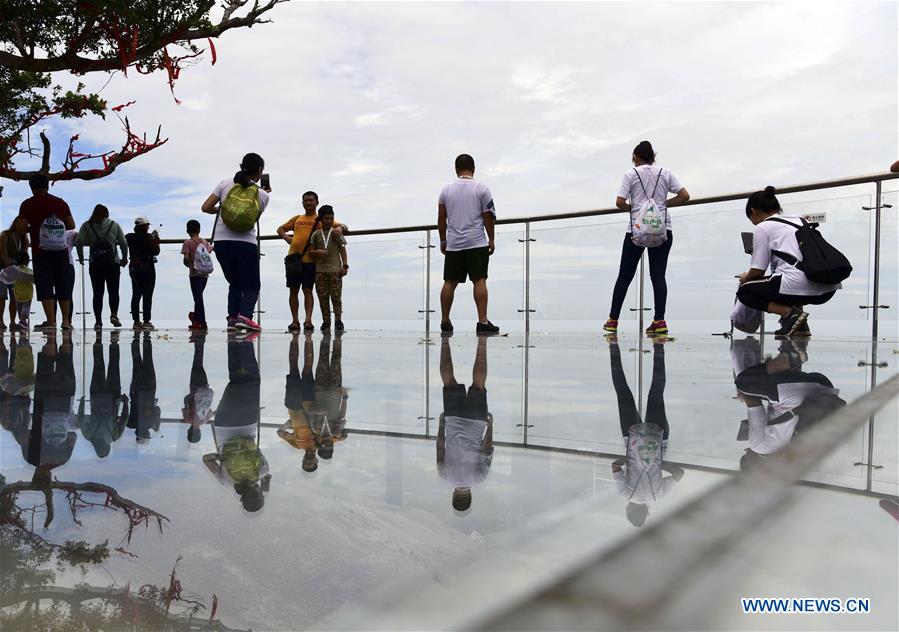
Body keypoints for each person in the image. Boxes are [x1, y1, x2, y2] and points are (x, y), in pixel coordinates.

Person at [604, 141, 690, 336]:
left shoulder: (630, 174)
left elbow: (619, 202)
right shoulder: (666, 173)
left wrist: (636, 210)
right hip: (662, 228)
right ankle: (659, 321)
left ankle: (613, 321)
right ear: (653, 156)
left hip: (636, 230)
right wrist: (661, 205)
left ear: (635, 156)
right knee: (658, 276)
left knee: (624, 276)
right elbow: (685, 195)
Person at [736, 187, 841, 337]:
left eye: (750, 218)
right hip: (827, 288)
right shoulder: (801, 221)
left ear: (753, 211)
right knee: (785, 281)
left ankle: (789, 314)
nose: (753, 222)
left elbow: (758, 270)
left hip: (797, 285)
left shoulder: (763, 227)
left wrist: (745, 278)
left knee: (745, 291)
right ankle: (801, 326)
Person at [607, 334, 683, 527]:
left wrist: (656, 464)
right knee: (622, 391)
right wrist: (633, 458)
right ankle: (613, 346)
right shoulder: (625, 494)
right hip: (631, 437)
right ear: (630, 510)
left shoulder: (658, 496)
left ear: (646, 512)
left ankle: (659, 346)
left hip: (658, 439)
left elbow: (680, 473)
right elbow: (615, 467)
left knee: (656, 392)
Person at [733, 338, 844, 470]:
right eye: (745, 457)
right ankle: (789, 357)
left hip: (825, 388)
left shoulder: (789, 455)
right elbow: (754, 404)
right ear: (752, 463)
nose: (746, 451)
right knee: (743, 383)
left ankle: (791, 345)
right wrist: (744, 396)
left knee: (774, 391)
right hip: (794, 391)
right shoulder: (758, 446)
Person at [201, 153, 271, 331]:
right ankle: (245, 317)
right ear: (260, 170)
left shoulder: (225, 183)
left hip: (222, 242)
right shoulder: (262, 195)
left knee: (235, 283)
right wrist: (262, 195)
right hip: (246, 243)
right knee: (252, 284)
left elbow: (206, 207)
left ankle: (232, 318)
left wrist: (224, 210)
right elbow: (253, 218)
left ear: (241, 166)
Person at [204, 333, 270, 512]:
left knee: (252, 379)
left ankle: (246, 337)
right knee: (234, 380)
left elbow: (256, 449)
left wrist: (264, 484)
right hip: (223, 424)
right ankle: (233, 335)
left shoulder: (262, 472)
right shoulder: (226, 481)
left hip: (247, 421)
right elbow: (206, 458)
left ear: (258, 493)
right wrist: (224, 457)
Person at [437, 154, 499, 336]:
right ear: (474, 168)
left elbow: (441, 218)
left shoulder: (446, 190)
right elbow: (488, 216)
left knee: (449, 282)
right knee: (479, 280)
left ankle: (445, 321)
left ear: (456, 169)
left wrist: (443, 240)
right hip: (476, 242)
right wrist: (492, 239)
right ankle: (482, 322)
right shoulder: (482, 189)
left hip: (454, 244)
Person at [437, 336, 494, 514]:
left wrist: (489, 425)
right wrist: (442, 423)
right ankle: (445, 340)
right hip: (453, 421)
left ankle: (482, 342)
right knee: (448, 382)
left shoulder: (478, 480)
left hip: (476, 423)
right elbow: (440, 446)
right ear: (454, 496)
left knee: (479, 385)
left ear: (469, 497)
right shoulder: (444, 477)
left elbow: (487, 449)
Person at [277, 192, 348, 333]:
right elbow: (280, 229)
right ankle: (295, 321)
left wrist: (339, 228)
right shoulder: (297, 218)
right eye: (305, 200)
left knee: (307, 290)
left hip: (310, 261)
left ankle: (308, 320)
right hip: (294, 258)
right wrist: (286, 238)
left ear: (317, 202)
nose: (308, 203)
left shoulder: (321, 219)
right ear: (302, 202)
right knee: (293, 290)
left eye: (311, 200)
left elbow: (342, 226)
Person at [17, 173, 76, 330]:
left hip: (40, 251)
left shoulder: (27, 204)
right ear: (47, 186)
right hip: (61, 250)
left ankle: (51, 322)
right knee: (63, 285)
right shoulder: (60, 203)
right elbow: (71, 225)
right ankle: (66, 321)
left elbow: (21, 228)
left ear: (32, 188)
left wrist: (34, 228)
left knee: (45, 285)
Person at [76, 204, 128, 329]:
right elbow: (123, 243)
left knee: (97, 293)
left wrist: (81, 257)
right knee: (113, 291)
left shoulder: (87, 225)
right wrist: (124, 258)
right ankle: (114, 315)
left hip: (95, 264)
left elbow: (79, 241)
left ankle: (98, 321)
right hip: (112, 263)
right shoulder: (114, 225)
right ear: (106, 214)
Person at [78, 332, 128, 458]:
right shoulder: (88, 435)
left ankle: (114, 343)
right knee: (98, 364)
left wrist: (125, 403)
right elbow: (81, 418)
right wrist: (82, 403)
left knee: (114, 366)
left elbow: (124, 419)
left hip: (113, 397)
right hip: (96, 396)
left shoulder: (114, 437)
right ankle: (98, 340)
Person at [278, 334, 319, 472]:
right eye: (311, 463)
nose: (308, 460)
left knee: (293, 368)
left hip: (293, 404)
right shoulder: (320, 444)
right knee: (307, 368)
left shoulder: (297, 445)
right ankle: (309, 339)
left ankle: (295, 339)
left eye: (305, 463)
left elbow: (280, 433)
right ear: (316, 461)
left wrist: (288, 424)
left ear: (302, 460)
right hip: (309, 400)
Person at [308, 205, 349, 334]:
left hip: (335, 271)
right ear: (321, 219)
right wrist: (317, 252)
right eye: (326, 218)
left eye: (332, 218)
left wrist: (345, 265)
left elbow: (342, 249)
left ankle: (338, 321)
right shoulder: (316, 234)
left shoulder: (336, 233)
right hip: (320, 271)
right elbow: (310, 251)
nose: (329, 221)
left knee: (336, 297)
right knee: (323, 298)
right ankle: (326, 321)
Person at [125, 217, 160, 330]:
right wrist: (156, 240)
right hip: (148, 268)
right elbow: (155, 251)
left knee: (136, 294)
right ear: (145, 226)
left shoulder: (129, 237)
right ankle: (146, 321)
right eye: (147, 225)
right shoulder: (148, 237)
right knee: (147, 295)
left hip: (135, 269)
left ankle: (136, 321)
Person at [181, 220, 214, 330]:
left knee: (198, 298)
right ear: (199, 230)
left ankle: (202, 322)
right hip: (205, 275)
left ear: (187, 230)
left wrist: (188, 263)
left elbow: (186, 258)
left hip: (194, 274)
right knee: (198, 296)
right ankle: (196, 319)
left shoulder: (187, 243)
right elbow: (209, 250)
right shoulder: (204, 242)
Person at [127, 331, 159, 443]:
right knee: (136, 362)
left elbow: (157, 410)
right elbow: (126, 411)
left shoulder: (151, 423)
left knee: (148, 360)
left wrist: (156, 426)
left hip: (150, 389)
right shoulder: (130, 423)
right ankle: (136, 338)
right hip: (136, 390)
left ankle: (146, 337)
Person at [182, 332, 213, 443]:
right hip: (194, 386)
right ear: (189, 432)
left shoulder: (204, 420)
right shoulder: (187, 419)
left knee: (199, 362)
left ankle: (199, 339)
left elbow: (210, 410)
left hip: (204, 386)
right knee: (197, 360)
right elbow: (186, 401)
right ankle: (199, 337)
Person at [0, 216, 30, 331]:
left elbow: (24, 257)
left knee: (14, 297)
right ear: (16, 223)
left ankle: (13, 321)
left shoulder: (24, 240)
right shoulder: (5, 235)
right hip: (3, 268)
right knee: (2, 296)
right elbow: (3, 255)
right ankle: (1, 321)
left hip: (16, 269)